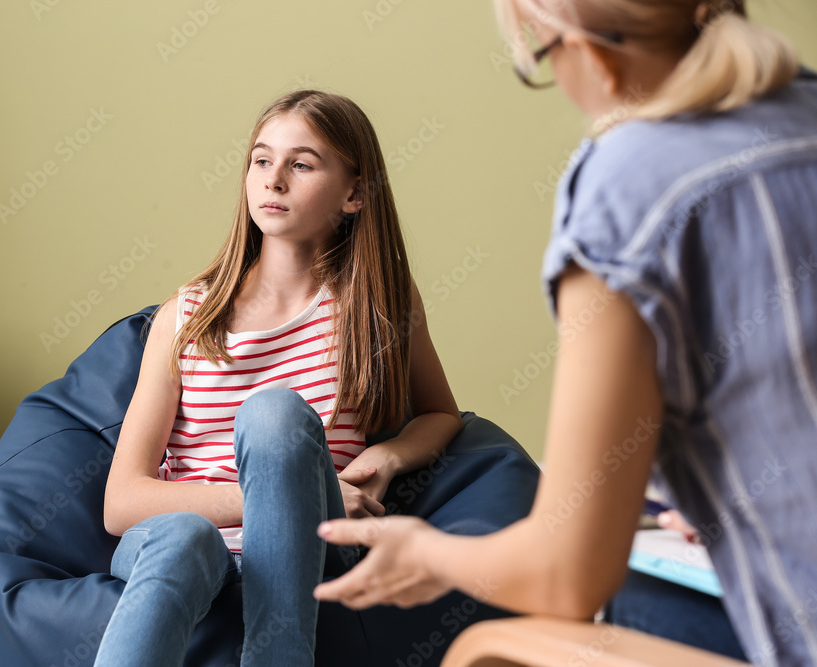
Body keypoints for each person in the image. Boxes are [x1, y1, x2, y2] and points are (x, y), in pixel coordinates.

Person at [313, 1, 817, 665]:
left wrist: (427, 553)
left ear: (592, 54)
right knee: (638, 596)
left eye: (538, 59)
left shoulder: (628, 180)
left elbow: (565, 574)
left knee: (483, 647)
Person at [94, 89, 465, 666]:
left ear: (355, 193)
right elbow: (121, 502)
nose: (274, 180)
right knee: (183, 537)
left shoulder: (377, 305)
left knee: (273, 413)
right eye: (262, 161)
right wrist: (277, 499)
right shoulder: (187, 317)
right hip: (183, 536)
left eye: (302, 164)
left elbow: (443, 414)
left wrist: (390, 456)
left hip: (311, 547)